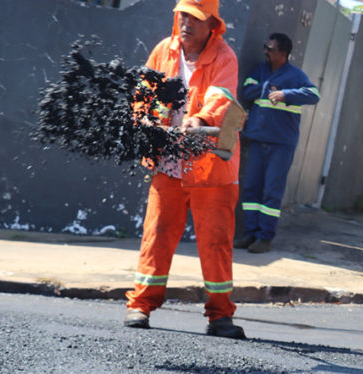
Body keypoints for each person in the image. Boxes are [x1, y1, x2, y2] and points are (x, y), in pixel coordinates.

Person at [123, 0, 246, 339]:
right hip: (168, 163)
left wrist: (201, 118)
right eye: (183, 15)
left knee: (216, 243)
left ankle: (220, 315)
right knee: (157, 235)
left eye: (195, 17)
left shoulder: (224, 57)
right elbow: (144, 92)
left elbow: (220, 98)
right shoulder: (164, 50)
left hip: (210, 169)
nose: (186, 23)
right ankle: (140, 305)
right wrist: (143, 116)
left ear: (212, 25)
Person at [234, 33, 320, 254]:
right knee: (252, 188)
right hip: (258, 139)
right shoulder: (260, 71)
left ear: (283, 53)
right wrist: (268, 89)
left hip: (281, 144)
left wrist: (285, 93)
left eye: (270, 48)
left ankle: (265, 238)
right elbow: (247, 89)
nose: (265, 51)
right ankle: (250, 234)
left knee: (272, 191)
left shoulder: (296, 76)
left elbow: (313, 95)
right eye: (266, 47)